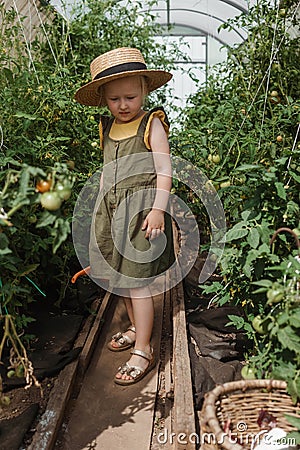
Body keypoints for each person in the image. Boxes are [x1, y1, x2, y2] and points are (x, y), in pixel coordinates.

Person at [74, 47, 174, 385]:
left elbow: (164, 170)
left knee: (138, 282)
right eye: (115, 98)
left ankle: (143, 349)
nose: (123, 105)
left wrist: (159, 209)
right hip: (113, 214)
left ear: (144, 90)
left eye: (130, 96)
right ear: (103, 98)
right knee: (120, 279)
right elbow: (106, 173)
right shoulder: (108, 128)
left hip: (141, 213)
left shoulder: (151, 124)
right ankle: (135, 329)